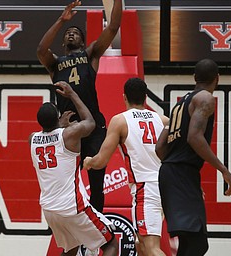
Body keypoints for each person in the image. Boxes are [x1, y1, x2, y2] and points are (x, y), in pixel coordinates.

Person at [37, 0, 122, 213]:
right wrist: (61, 20)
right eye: (68, 33)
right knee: (63, 183)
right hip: (67, 128)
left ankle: (97, 233)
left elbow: (112, 27)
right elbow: (41, 49)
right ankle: (67, 224)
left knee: (96, 184)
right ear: (64, 41)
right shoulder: (55, 63)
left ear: (83, 42)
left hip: (93, 126)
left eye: (75, 32)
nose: (71, 34)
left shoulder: (90, 55)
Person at [155, 59, 231, 256]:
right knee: (196, 243)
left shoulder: (180, 104)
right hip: (180, 173)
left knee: (192, 242)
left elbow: (159, 148)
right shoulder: (205, 99)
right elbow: (194, 137)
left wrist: (182, 171)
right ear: (217, 79)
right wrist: (224, 170)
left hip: (173, 173)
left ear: (194, 78)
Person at [29, 81, 118, 256]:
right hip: (72, 206)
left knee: (70, 250)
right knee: (111, 244)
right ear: (58, 118)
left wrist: (58, 125)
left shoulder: (31, 139)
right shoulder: (69, 134)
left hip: (49, 210)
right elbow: (90, 122)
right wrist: (72, 94)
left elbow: (49, 136)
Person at [84, 77, 168, 256]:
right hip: (167, 185)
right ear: (145, 97)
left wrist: (89, 161)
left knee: (151, 246)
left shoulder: (120, 121)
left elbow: (101, 161)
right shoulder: (162, 119)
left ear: (124, 97)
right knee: (140, 243)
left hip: (146, 188)